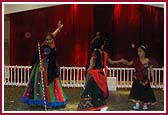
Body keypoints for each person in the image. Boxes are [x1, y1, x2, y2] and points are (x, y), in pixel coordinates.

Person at [21, 20, 68, 109]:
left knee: (52, 84)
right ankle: (42, 100)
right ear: (45, 40)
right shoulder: (45, 47)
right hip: (43, 67)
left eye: (50, 39)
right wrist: (41, 66)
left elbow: (53, 34)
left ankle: (51, 99)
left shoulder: (52, 43)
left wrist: (58, 29)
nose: (49, 41)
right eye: (47, 40)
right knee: (43, 84)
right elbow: (42, 57)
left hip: (51, 66)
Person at [77, 37, 125, 111]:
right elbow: (111, 62)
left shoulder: (95, 52)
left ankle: (100, 106)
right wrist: (120, 61)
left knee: (88, 91)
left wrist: (88, 69)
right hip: (100, 74)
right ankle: (99, 106)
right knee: (97, 91)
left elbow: (92, 63)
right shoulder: (104, 53)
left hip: (94, 74)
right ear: (101, 45)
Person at [123, 45, 156, 110]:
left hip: (144, 79)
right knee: (136, 91)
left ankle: (145, 105)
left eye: (140, 51)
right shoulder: (135, 59)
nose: (139, 53)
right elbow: (129, 63)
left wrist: (154, 80)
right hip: (137, 78)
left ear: (144, 52)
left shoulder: (148, 60)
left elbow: (151, 70)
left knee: (145, 92)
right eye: (138, 51)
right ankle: (137, 104)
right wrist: (124, 61)